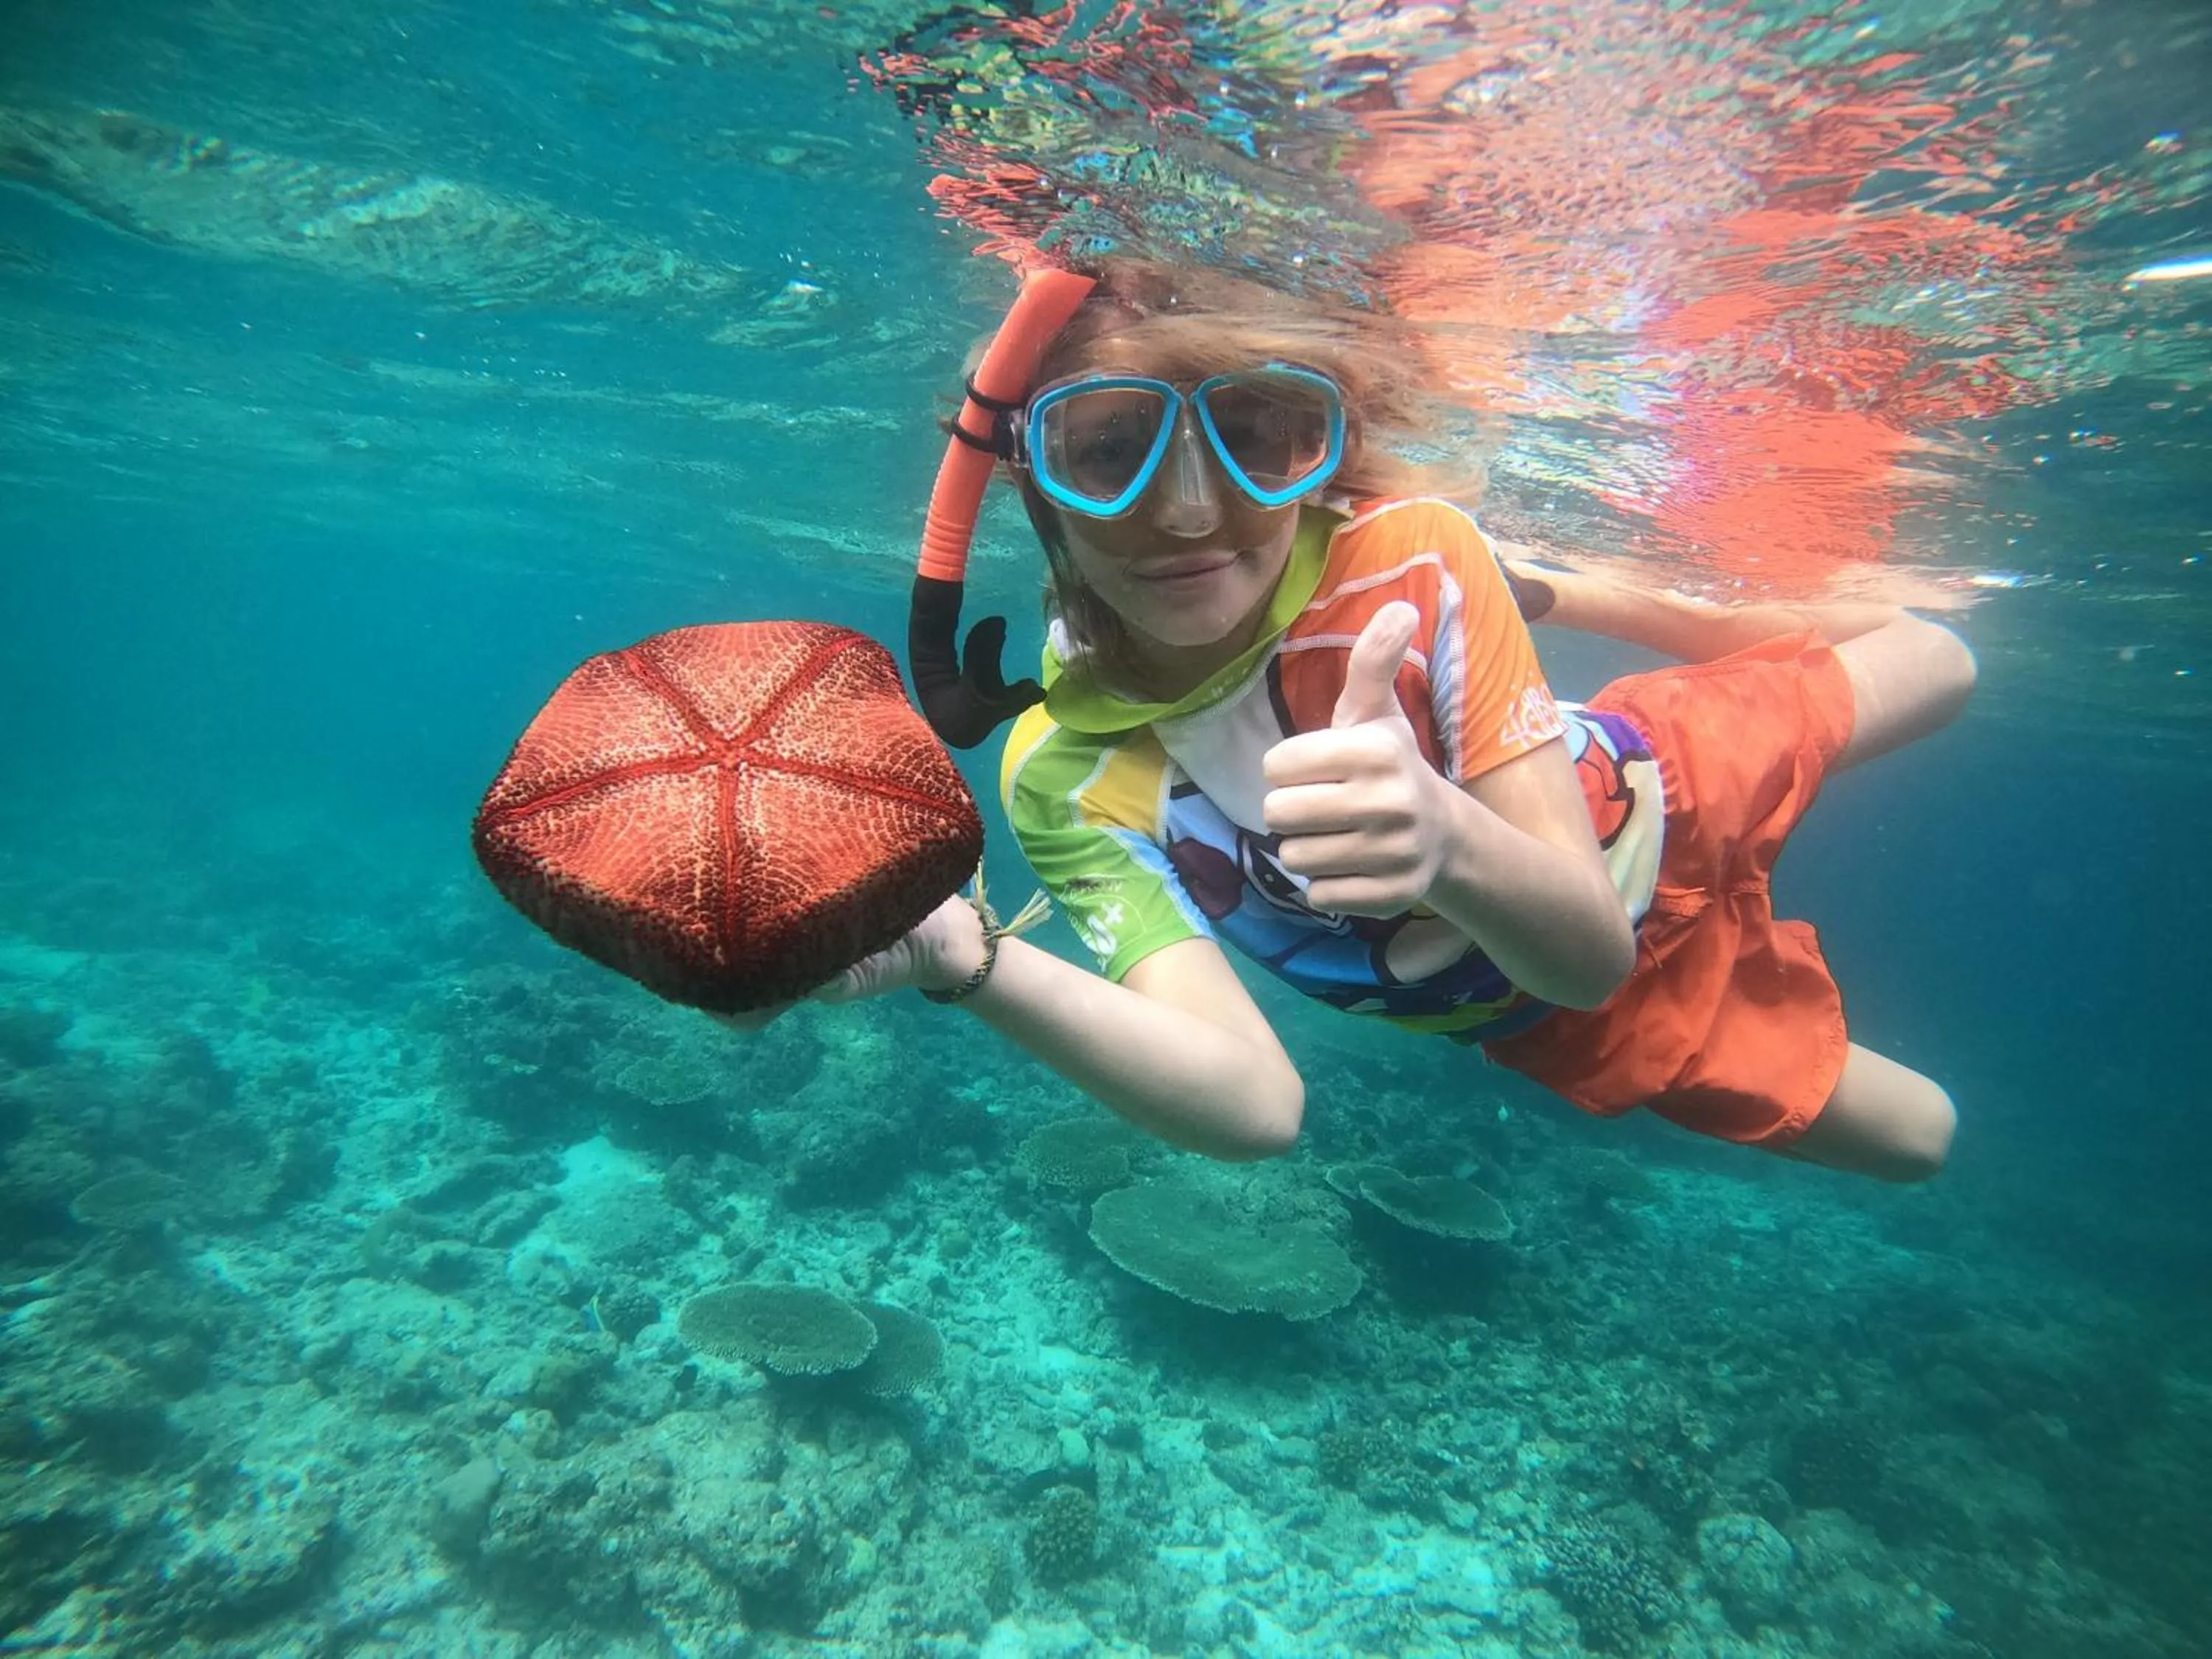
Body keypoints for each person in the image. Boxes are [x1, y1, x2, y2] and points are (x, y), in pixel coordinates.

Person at [788, 262, 1977, 1183]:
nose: (1190, 511)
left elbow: (1587, 938)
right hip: (1561, 1009)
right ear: (1029, 476)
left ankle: (1562, 583)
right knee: (1923, 1138)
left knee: (1939, 658)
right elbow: (1261, 1107)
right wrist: (971, 962)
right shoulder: (1063, 774)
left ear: (1316, 450)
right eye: (1106, 450)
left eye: (1254, 437)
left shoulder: (1414, 559)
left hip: (1663, 774)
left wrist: (1449, 838)